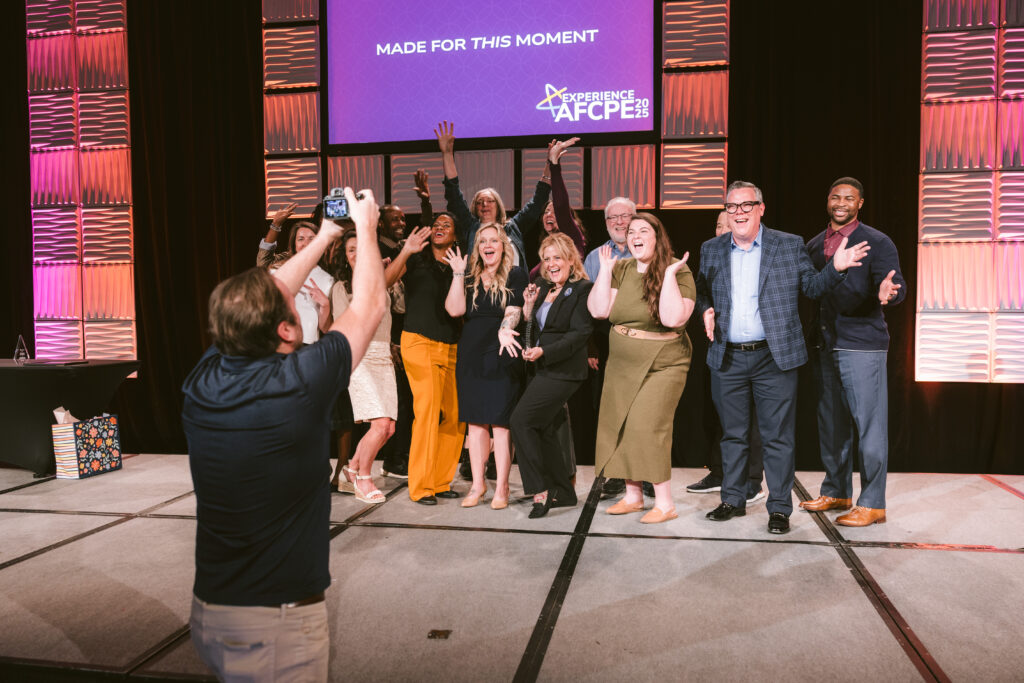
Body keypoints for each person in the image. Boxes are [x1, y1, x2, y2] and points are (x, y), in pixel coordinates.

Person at [183, 188, 385, 681]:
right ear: (288, 332)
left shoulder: (202, 381)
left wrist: (328, 235)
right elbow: (370, 306)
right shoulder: (299, 383)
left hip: (212, 607)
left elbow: (268, 288)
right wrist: (366, 227)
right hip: (275, 622)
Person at [697, 180, 869, 535]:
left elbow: (810, 287)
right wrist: (705, 309)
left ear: (762, 208)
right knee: (733, 435)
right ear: (726, 212)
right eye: (732, 207)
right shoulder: (711, 249)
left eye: (747, 205)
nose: (739, 212)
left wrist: (835, 268)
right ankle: (732, 499)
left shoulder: (787, 245)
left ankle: (778, 508)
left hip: (772, 357)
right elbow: (701, 291)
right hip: (727, 356)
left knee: (777, 437)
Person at [800, 177, 906, 526]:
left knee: (869, 426)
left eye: (849, 198)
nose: (841, 202)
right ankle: (837, 491)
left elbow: (896, 284)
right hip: (824, 344)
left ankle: (873, 502)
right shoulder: (815, 245)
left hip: (862, 344)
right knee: (831, 425)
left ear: (860, 203)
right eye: (835, 197)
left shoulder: (876, 241)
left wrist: (889, 292)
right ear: (827, 200)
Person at [587, 212, 696, 524]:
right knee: (622, 424)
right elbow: (598, 310)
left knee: (648, 427)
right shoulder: (620, 268)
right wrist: (605, 271)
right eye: (630, 231)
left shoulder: (677, 268)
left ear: (656, 237)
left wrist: (671, 276)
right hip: (623, 361)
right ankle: (633, 496)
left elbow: (674, 319)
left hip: (664, 361)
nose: (634, 235)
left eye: (642, 230)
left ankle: (665, 503)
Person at [443, 223, 528, 510]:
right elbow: (455, 310)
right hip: (470, 354)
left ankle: (501, 486)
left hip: (502, 351)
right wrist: (457, 273)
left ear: (504, 246)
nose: (488, 246)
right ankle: (478, 485)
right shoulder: (468, 276)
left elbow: (514, 310)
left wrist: (505, 329)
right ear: (477, 248)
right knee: (475, 423)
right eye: (483, 242)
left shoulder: (515, 274)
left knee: (501, 424)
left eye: (494, 240)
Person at [510, 233, 594, 518]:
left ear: (570, 259)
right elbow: (533, 331)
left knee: (520, 421)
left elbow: (579, 334)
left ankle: (540, 490)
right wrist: (530, 310)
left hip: (564, 370)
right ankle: (564, 491)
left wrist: (544, 352)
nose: (551, 263)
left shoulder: (582, 288)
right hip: (541, 367)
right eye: (546, 259)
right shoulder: (543, 288)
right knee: (542, 427)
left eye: (557, 257)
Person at [384, 213, 464, 505]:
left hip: (452, 346)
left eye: (448, 225)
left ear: (456, 235)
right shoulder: (416, 257)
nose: (441, 228)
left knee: (455, 418)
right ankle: (421, 487)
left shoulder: (460, 263)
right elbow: (384, 280)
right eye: (438, 224)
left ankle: (441, 481)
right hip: (418, 341)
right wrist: (406, 250)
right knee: (427, 412)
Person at [687, 210, 765, 503]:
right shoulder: (712, 255)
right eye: (718, 225)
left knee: (751, 419)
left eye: (728, 223)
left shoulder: (752, 257)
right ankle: (720, 472)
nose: (722, 229)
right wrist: (704, 308)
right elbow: (700, 291)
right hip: (719, 348)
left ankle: (753, 480)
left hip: (753, 350)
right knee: (722, 417)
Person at [327, 229, 398, 504]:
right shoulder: (341, 287)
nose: (357, 254)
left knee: (389, 428)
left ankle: (352, 468)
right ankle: (364, 479)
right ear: (345, 257)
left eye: (361, 248)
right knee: (379, 424)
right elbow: (349, 324)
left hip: (384, 356)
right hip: (360, 357)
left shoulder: (383, 281)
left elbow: (397, 309)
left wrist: (389, 279)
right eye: (351, 249)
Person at [436, 120, 551, 267]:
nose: (484, 204)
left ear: (498, 206)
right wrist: (447, 154)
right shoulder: (471, 228)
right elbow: (453, 193)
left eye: (490, 201)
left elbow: (538, 201)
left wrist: (550, 163)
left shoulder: (513, 228)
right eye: (479, 202)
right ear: (475, 208)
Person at [582, 196, 637, 498]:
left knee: (641, 409)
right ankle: (615, 474)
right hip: (606, 341)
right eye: (612, 218)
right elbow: (586, 307)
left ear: (635, 218)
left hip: (641, 339)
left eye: (624, 216)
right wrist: (591, 346)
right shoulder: (594, 257)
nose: (618, 222)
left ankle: (643, 472)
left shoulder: (646, 249)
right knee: (611, 410)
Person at [529, 138, 587, 281]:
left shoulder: (572, 239)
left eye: (554, 212)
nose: (549, 214)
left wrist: (554, 165)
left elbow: (561, 207)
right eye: (546, 211)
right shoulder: (545, 252)